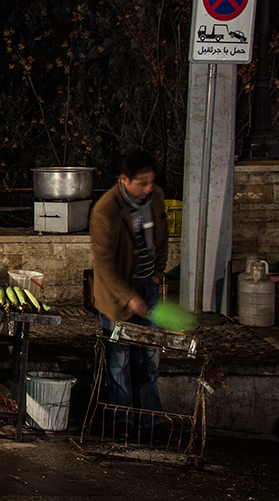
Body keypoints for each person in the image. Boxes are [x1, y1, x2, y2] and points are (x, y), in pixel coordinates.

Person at [89, 150, 170, 438]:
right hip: (116, 297)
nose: (148, 188)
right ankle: (121, 420)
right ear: (124, 180)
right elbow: (104, 266)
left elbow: (162, 236)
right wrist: (129, 297)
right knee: (118, 359)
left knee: (149, 355)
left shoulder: (156, 196)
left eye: (151, 182)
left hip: (149, 286)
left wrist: (158, 274)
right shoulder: (105, 211)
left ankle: (150, 420)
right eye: (142, 183)